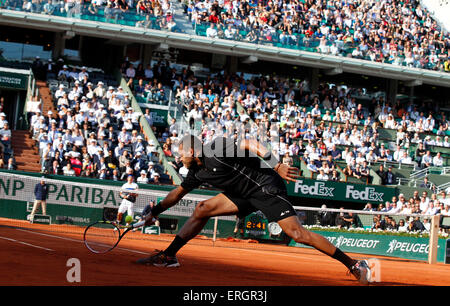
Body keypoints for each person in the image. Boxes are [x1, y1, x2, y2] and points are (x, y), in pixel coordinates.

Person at [132, 135, 372, 284]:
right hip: (242, 195)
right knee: (202, 209)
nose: (177, 156)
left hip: (265, 188)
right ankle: (170, 255)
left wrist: (276, 164)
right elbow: (178, 194)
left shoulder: (215, 149)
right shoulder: (197, 172)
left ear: (192, 151)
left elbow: (249, 142)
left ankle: (354, 264)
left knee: (297, 234)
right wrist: (156, 211)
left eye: (180, 152)